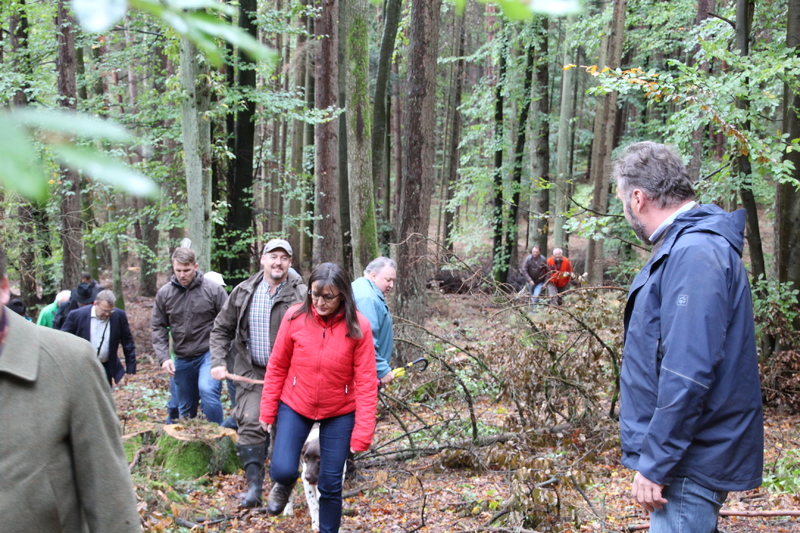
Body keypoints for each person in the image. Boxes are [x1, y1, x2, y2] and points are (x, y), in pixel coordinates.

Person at [614, 141, 763, 533]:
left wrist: (656, 463)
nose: (625, 211)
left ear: (638, 197)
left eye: (623, 201)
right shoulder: (690, 246)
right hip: (686, 455)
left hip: (689, 461)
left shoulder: (695, 252)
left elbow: (688, 371)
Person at [0, 244, 141, 533]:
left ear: (3, 288)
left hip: (96, 369)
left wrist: (129, 369)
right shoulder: (75, 317)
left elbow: (109, 494)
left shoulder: (70, 363)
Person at [259, 263, 377, 533]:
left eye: (328, 297)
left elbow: (367, 382)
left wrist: (363, 432)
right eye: (315, 295)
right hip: (296, 402)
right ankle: (284, 483)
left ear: (343, 296)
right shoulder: (294, 317)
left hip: (340, 410)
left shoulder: (359, 326)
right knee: (284, 469)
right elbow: (277, 366)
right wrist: (267, 410)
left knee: (331, 484)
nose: (320, 302)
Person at [209, 239, 307, 507]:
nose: (278, 262)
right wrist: (218, 361)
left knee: (284, 431)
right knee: (250, 422)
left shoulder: (302, 295)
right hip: (251, 373)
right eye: (273, 257)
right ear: (262, 259)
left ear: (290, 262)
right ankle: (254, 489)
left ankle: (281, 490)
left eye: (284, 258)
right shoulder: (243, 292)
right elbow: (221, 329)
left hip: (291, 376)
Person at [152, 247, 228, 424]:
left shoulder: (213, 290)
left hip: (208, 352)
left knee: (207, 390)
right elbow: (158, 326)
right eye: (178, 270)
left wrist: (224, 355)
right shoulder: (165, 293)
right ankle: (189, 444)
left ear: (195, 266)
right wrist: (164, 357)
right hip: (182, 356)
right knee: (185, 407)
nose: (182, 275)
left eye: (186, 270)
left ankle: (218, 437)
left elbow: (228, 322)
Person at [61, 289, 137, 387]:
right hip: (81, 366)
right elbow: (63, 339)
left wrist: (130, 368)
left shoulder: (119, 316)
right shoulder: (77, 315)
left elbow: (128, 342)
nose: (107, 314)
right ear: (95, 303)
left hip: (105, 366)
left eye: (110, 311)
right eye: (104, 311)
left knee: (104, 398)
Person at [352, 257, 397, 386]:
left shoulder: (366, 291)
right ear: (373, 276)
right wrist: (381, 368)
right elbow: (366, 338)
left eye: (393, 281)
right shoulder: (366, 298)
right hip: (363, 374)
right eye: (388, 280)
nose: (391, 285)